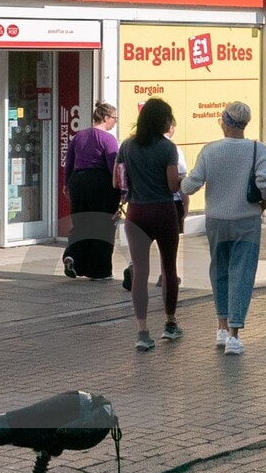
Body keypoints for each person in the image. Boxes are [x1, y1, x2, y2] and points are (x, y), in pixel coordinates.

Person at [180, 101, 266, 356]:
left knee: (219, 271)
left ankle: (221, 327)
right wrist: (263, 201)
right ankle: (234, 335)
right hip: (247, 221)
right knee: (242, 273)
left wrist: (180, 181)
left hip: (216, 222)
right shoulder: (258, 149)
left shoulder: (210, 151)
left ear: (225, 121)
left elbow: (190, 186)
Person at [117, 97, 183, 352]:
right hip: (163, 212)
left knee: (140, 274)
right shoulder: (168, 148)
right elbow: (171, 185)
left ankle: (142, 332)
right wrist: (180, 181)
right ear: (162, 120)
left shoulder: (127, 145)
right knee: (169, 268)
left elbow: (117, 181)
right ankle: (169, 323)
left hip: (136, 214)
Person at [62, 102, 121, 280]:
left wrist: (67, 184)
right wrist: (121, 189)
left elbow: (69, 162)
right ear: (106, 118)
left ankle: (73, 255)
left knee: (81, 223)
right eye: (114, 118)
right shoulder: (108, 139)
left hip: (78, 182)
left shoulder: (78, 136)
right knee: (102, 226)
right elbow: (114, 167)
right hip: (101, 184)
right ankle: (100, 271)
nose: (115, 122)